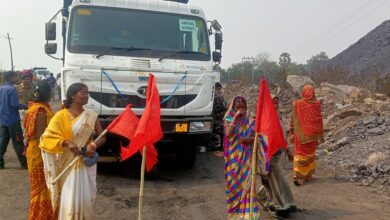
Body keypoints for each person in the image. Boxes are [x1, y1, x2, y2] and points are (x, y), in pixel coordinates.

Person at [39, 83, 106, 219]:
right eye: (83, 93)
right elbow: (46, 138)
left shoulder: (91, 115)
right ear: (73, 96)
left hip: (85, 162)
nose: (86, 96)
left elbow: (102, 137)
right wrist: (66, 142)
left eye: (88, 93)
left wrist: (92, 146)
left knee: (86, 198)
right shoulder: (60, 116)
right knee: (69, 199)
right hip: (67, 164)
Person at [258, 96, 297, 218]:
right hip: (270, 154)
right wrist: (266, 156)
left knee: (279, 179)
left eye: (277, 103)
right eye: (272, 103)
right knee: (274, 180)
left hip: (280, 153)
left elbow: (282, 134)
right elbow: (262, 138)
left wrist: (288, 150)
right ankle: (278, 205)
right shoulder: (265, 118)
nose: (275, 105)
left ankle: (267, 197)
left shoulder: (279, 116)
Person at [223, 96, 261, 219]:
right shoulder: (228, 119)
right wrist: (235, 117)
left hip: (247, 158)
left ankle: (250, 216)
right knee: (234, 186)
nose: (240, 106)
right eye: (237, 105)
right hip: (233, 158)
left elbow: (258, 137)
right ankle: (235, 216)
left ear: (246, 106)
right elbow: (228, 134)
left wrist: (251, 139)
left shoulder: (250, 121)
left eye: (242, 105)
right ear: (233, 107)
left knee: (248, 186)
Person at [24, 80, 55, 219]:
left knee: (44, 187)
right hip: (39, 153)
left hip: (37, 151)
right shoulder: (40, 110)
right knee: (41, 188)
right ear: (47, 93)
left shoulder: (35, 107)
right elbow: (40, 136)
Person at [289, 85, 324, 186]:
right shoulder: (317, 104)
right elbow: (319, 119)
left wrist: (291, 131)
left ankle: (296, 174)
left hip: (300, 134)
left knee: (299, 154)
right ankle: (308, 175)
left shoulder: (298, 104)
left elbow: (293, 119)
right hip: (313, 135)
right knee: (310, 155)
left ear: (303, 93)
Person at [0, 71, 27, 170]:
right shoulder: (12, 89)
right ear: (11, 77)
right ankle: (23, 163)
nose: (17, 78)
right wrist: (26, 106)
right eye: (16, 76)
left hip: (3, 119)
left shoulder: (1, 88)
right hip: (12, 120)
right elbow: (15, 105)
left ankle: (0, 163)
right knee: (18, 142)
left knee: (2, 142)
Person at [209, 82, 227, 151]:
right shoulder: (220, 95)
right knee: (220, 131)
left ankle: (214, 146)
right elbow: (223, 106)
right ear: (219, 87)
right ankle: (221, 146)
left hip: (214, 115)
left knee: (215, 130)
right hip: (219, 115)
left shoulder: (213, 95)